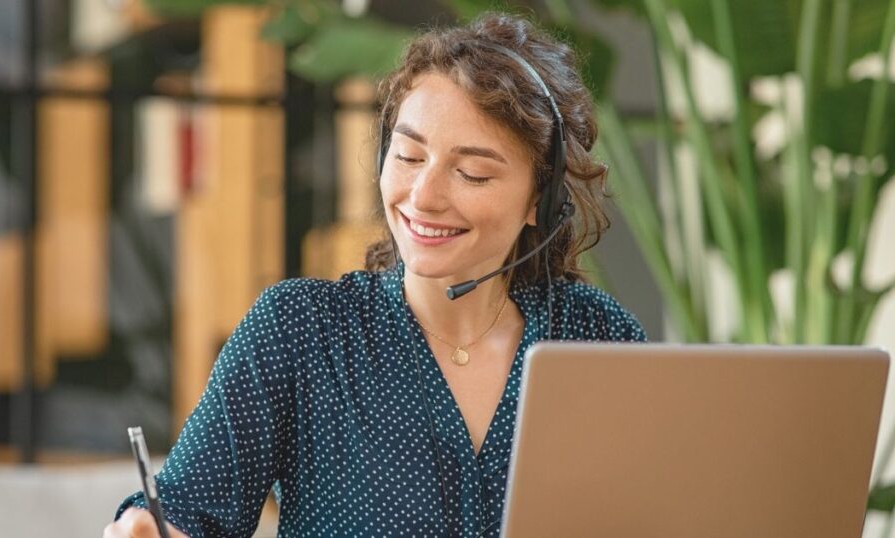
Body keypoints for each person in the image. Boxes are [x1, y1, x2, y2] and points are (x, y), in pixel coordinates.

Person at [105, 11, 645, 538]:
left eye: (472, 173)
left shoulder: (597, 337)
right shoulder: (299, 330)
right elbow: (183, 513)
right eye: (409, 156)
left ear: (541, 201)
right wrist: (146, 526)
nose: (424, 197)